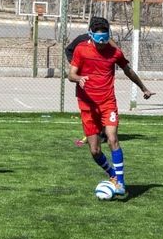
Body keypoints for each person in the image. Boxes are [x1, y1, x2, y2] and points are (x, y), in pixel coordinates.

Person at [68, 16, 154, 199]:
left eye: (104, 39)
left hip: (108, 103)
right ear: (90, 35)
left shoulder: (114, 53)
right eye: (98, 40)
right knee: (95, 150)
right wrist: (79, 79)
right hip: (87, 105)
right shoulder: (81, 50)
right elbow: (71, 75)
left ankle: (120, 184)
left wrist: (143, 88)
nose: (101, 44)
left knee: (112, 137)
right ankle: (112, 175)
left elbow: (128, 71)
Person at [66, 17, 113, 147]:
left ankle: (102, 134)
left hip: (101, 85)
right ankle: (89, 134)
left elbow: (116, 54)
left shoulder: (106, 42)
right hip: (84, 82)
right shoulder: (81, 40)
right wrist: (76, 66)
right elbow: (68, 50)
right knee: (88, 111)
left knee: (103, 110)